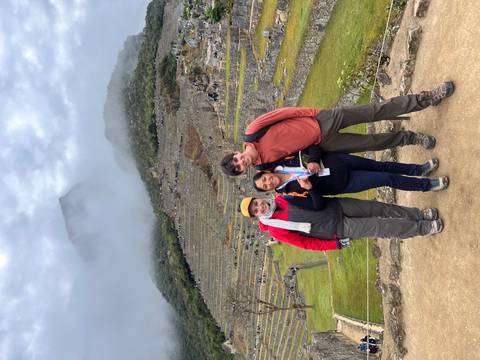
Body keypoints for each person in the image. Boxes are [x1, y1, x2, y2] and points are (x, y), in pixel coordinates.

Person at [220, 81, 454, 176]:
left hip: (321, 121)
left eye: (237, 160)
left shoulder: (253, 131)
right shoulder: (264, 165)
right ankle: (410, 138)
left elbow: (286, 113)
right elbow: (295, 158)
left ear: (236, 153)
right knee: (370, 144)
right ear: (242, 172)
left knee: (374, 111)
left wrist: (316, 113)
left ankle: (426, 99)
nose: (242, 163)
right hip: (322, 144)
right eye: (239, 168)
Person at [239, 194, 443, 251]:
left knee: (378, 208)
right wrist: (334, 244)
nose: (260, 208)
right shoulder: (275, 229)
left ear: (258, 198)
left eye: (256, 204)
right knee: (378, 225)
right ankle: (423, 228)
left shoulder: (281, 197)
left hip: (337, 206)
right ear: (256, 216)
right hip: (337, 228)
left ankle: (417, 215)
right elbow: (306, 243)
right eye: (255, 211)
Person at [252, 152, 449, 196]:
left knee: (382, 166)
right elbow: (316, 202)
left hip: (338, 162)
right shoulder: (288, 193)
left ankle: (418, 169)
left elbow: (311, 147)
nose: (268, 182)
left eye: (265, 179)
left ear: (265, 173)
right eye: (266, 186)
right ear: (269, 190)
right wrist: (310, 188)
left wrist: (312, 160)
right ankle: (427, 185)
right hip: (344, 182)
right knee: (386, 179)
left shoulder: (284, 161)